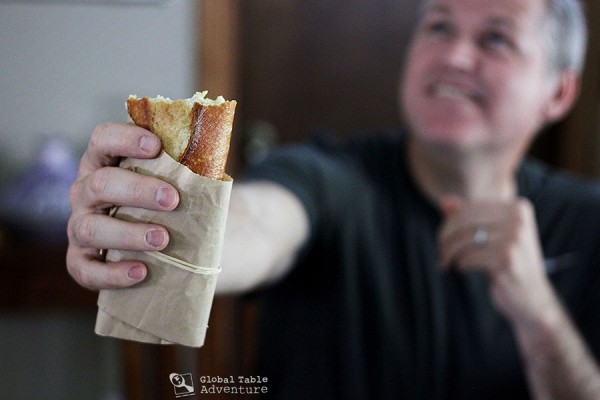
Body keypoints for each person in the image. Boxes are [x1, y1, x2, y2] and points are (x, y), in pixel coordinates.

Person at [67, 0, 600, 398]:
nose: (456, 56)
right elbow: (261, 223)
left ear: (558, 92)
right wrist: (161, 222)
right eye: (439, 27)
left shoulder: (588, 223)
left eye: (497, 39)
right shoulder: (331, 178)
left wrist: (540, 318)